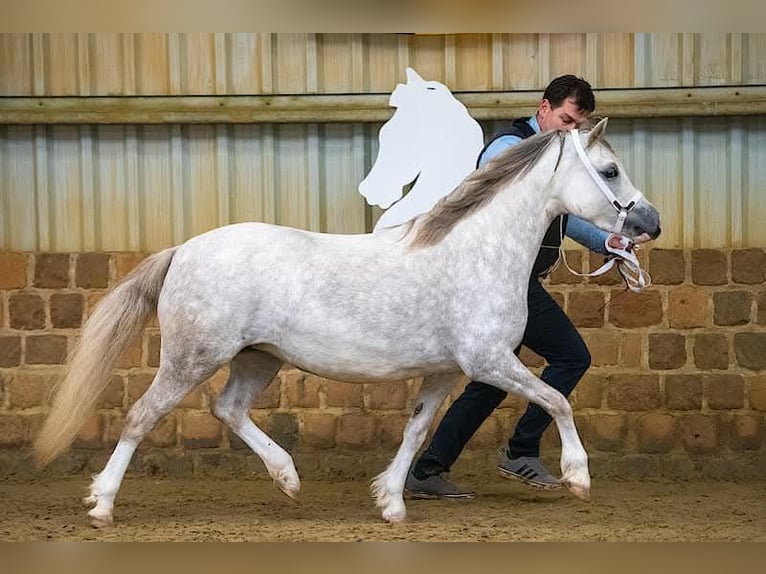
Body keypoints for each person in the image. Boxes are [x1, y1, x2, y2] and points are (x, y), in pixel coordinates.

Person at [405, 75, 649, 499]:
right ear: (543, 108)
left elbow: (566, 213)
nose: (570, 132)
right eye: (565, 119)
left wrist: (606, 241)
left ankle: (430, 470)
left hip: (514, 287)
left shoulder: (558, 156)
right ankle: (518, 449)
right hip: (492, 286)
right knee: (571, 356)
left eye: (576, 125)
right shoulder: (508, 149)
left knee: (492, 380)